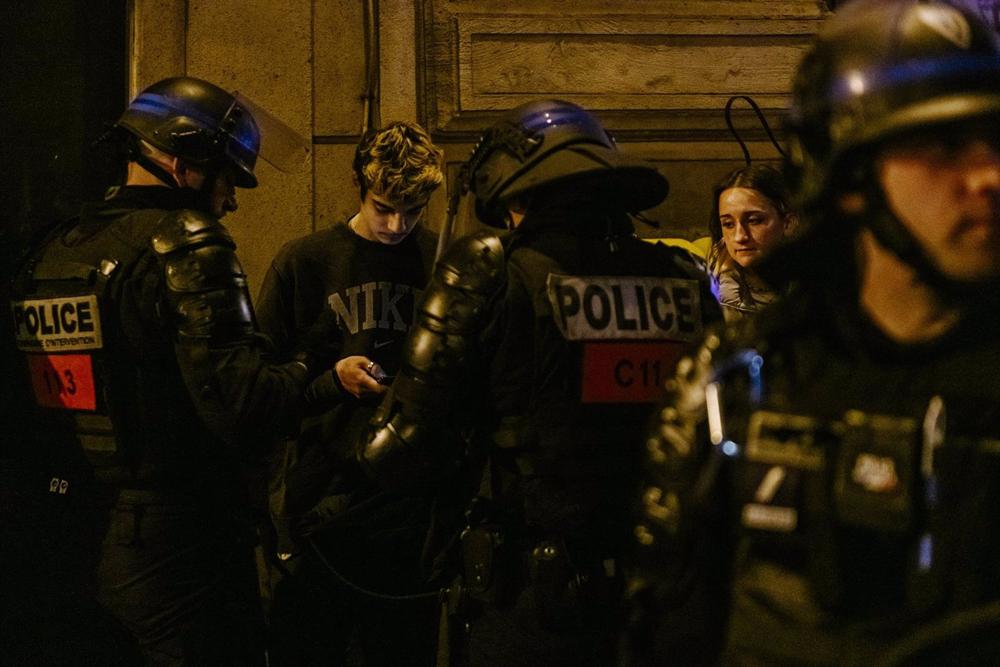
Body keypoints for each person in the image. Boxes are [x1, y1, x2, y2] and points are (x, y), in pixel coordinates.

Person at [629, 1, 1000, 665]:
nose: (988, 177)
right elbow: (671, 629)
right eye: (943, 147)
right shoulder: (739, 379)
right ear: (851, 180)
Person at [359, 99, 722, 666]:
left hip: (531, 599)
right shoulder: (682, 279)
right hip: (660, 594)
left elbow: (397, 452)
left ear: (514, 195)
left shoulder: (491, 269)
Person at [4, 76, 332, 665]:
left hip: (67, 535)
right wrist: (312, 358)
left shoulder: (56, 249)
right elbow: (246, 407)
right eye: (228, 176)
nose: (231, 197)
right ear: (183, 163)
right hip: (178, 546)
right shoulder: (186, 242)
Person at [257, 121, 444, 666]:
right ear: (359, 186)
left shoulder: (441, 263)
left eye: (412, 211)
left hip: (410, 509)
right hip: (321, 502)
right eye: (384, 206)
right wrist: (328, 382)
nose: (395, 224)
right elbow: (259, 389)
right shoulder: (306, 262)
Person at [706, 164, 797, 322]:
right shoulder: (710, 288)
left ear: (788, 223)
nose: (740, 236)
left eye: (754, 221)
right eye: (728, 224)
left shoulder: (824, 284)